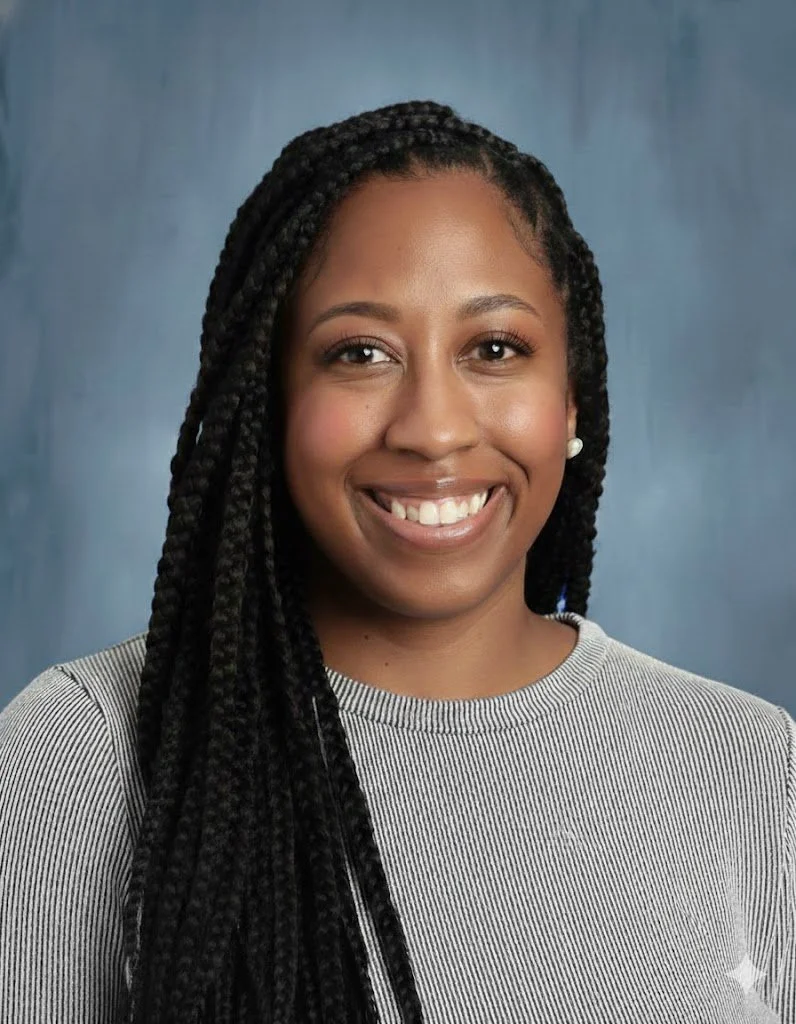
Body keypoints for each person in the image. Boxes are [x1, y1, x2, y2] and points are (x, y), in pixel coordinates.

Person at [0, 99, 793, 1024]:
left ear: (572, 402)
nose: (434, 429)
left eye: (494, 349)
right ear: (270, 404)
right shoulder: (77, 763)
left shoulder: (756, 776)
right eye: (360, 353)